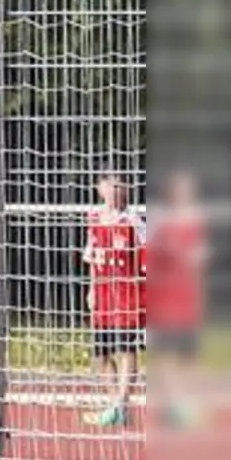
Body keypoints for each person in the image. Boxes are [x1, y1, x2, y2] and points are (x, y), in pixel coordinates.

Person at [82, 170, 146, 427]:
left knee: (126, 348)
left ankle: (122, 402)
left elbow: (148, 254)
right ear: (100, 189)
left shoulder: (133, 220)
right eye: (110, 185)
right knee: (101, 353)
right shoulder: (94, 217)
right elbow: (91, 254)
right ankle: (114, 405)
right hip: (103, 293)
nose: (116, 190)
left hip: (128, 294)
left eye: (121, 185)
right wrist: (91, 288)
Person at [145, 171, 206, 427]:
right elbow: (151, 257)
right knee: (168, 352)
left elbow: (199, 257)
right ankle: (172, 404)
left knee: (188, 353)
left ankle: (185, 400)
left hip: (187, 296)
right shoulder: (159, 221)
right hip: (166, 297)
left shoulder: (195, 219)